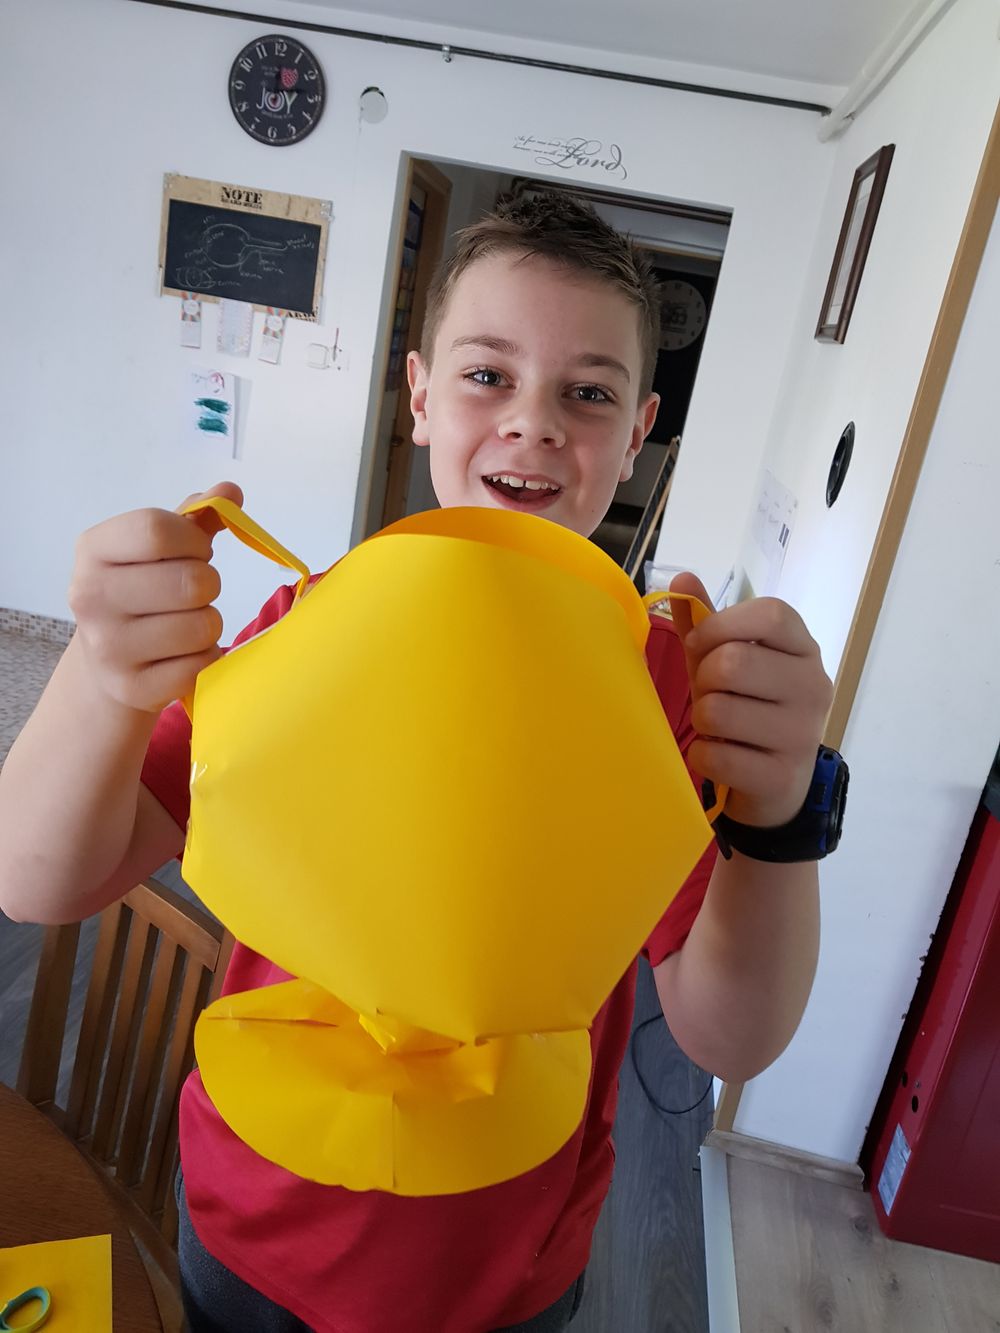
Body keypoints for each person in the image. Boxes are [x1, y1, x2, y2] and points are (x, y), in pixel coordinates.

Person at [0, 193, 833, 1333]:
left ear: (638, 431)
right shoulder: (308, 624)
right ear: (421, 395)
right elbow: (36, 879)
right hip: (250, 1220)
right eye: (487, 374)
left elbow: (727, 1036)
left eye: (588, 393)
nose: (533, 423)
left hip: (502, 1270)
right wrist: (101, 671)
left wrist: (779, 815)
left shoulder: (667, 686)